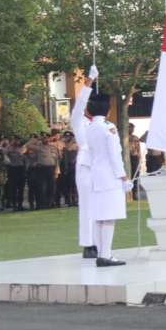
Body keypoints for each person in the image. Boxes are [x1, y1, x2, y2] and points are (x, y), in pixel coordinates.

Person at [85, 88, 131, 267]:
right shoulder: (109, 128)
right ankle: (105, 254)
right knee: (109, 217)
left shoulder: (90, 128)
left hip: (96, 176)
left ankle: (102, 253)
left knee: (99, 217)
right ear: (107, 110)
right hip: (109, 177)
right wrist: (124, 177)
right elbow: (114, 155)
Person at [71, 67, 98, 258]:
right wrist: (89, 81)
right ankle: (88, 244)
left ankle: (99, 242)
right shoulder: (78, 120)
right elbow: (80, 103)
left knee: (100, 206)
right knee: (87, 205)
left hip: (100, 166)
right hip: (86, 165)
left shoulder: (102, 124)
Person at [4, 138, 27, 212]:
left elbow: (25, 159)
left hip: (21, 169)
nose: (17, 142)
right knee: (13, 188)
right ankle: (14, 205)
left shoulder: (22, 148)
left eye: (18, 140)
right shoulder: (9, 149)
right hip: (12, 169)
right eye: (15, 140)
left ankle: (20, 204)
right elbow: (4, 154)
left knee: (21, 188)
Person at [128, 123, 142, 201]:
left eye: (133, 128)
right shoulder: (122, 137)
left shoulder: (135, 138)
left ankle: (135, 194)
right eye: (130, 128)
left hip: (134, 158)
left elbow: (138, 150)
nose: (132, 130)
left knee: (135, 176)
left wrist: (140, 162)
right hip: (126, 158)